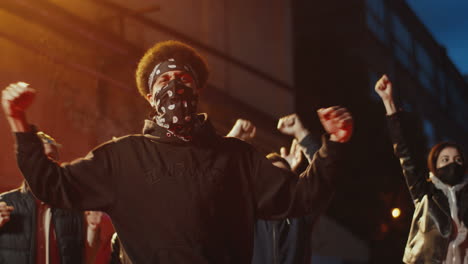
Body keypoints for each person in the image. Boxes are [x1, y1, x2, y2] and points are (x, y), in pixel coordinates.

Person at [2, 40, 353, 263]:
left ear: (197, 91)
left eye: (183, 81)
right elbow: (52, 185)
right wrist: (19, 123)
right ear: (151, 99)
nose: (174, 88)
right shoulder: (123, 157)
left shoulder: (237, 157)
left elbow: (304, 197)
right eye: (163, 83)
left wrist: (333, 146)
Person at [375, 74, 468, 263]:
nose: (453, 163)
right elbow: (405, 154)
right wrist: (389, 103)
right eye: (445, 159)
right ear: (434, 167)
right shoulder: (425, 194)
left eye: (458, 160)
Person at [227, 115, 328, 264]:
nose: (278, 184)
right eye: (273, 178)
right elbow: (214, 179)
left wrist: (301, 134)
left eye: (283, 178)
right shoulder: (246, 213)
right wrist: (233, 140)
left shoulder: (301, 215)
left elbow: (323, 175)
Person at [0, 132, 108, 264]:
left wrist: (93, 228)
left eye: (51, 159)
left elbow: (86, 259)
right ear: (28, 164)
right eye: (40, 158)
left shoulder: (73, 206)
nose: (45, 165)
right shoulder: (4, 203)